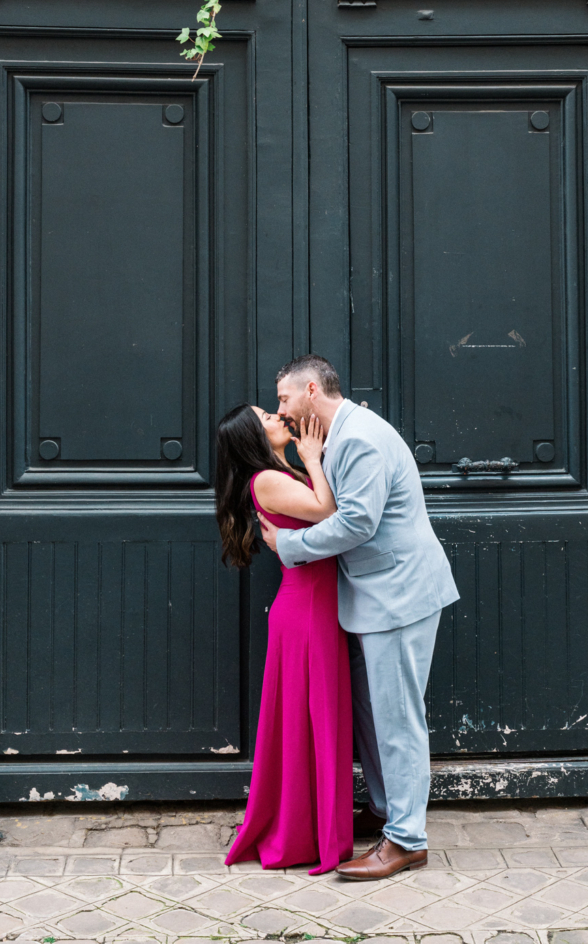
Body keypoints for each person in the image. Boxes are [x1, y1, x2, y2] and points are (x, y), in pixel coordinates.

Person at [259, 354, 459, 882]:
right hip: (376, 597)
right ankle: (386, 805)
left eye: (283, 398)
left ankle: (406, 841)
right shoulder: (337, 437)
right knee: (374, 714)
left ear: (308, 389)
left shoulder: (359, 438)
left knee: (398, 719)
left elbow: (358, 523)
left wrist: (289, 545)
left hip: (399, 596)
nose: (280, 408)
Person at [214, 401, 354, 874]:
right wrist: (314, 456)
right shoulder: (268, 479)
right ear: (255, 436)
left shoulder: (277, 473)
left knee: (311, 721)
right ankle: (303, 832)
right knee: (308, 721)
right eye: (266, 418)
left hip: (312, 610)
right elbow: (329, 510)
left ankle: (310, 826)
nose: (278, 418)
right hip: (308, 614)